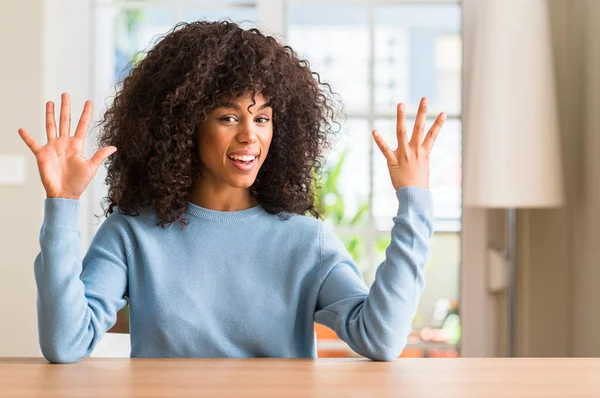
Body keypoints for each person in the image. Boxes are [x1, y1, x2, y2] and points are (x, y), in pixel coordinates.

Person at [17, 20, 445, 364]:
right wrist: (62, 205)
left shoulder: (304, 241)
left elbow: (383, 337)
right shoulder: (131, 233)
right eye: (228, 117)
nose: (249, 137)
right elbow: (66, 344)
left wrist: (415, 201)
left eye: (262, 119)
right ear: (185, 126)